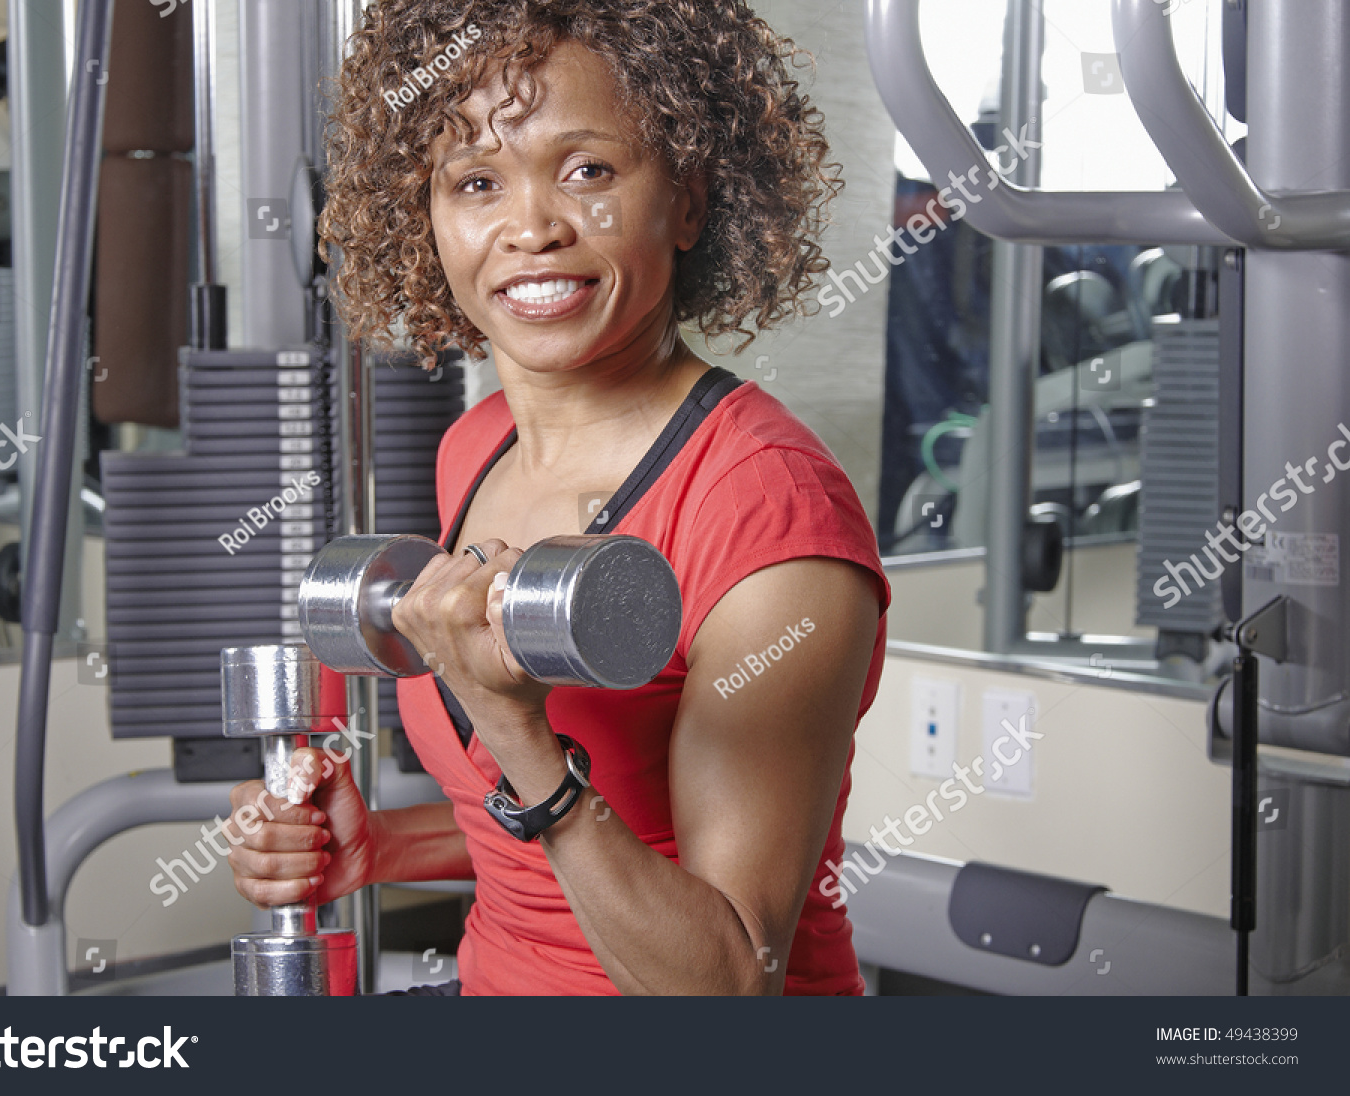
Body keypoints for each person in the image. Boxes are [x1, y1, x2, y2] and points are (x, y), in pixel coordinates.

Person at [227, 0, 890, 995]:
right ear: (429, 216)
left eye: (589, 172)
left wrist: (517, 730)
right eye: (477, 181)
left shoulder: (768, 518)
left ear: (690, 202)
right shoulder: (477, 448)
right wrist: (386, 850)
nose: (531, 227)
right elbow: (560, 844)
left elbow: (731, 978)